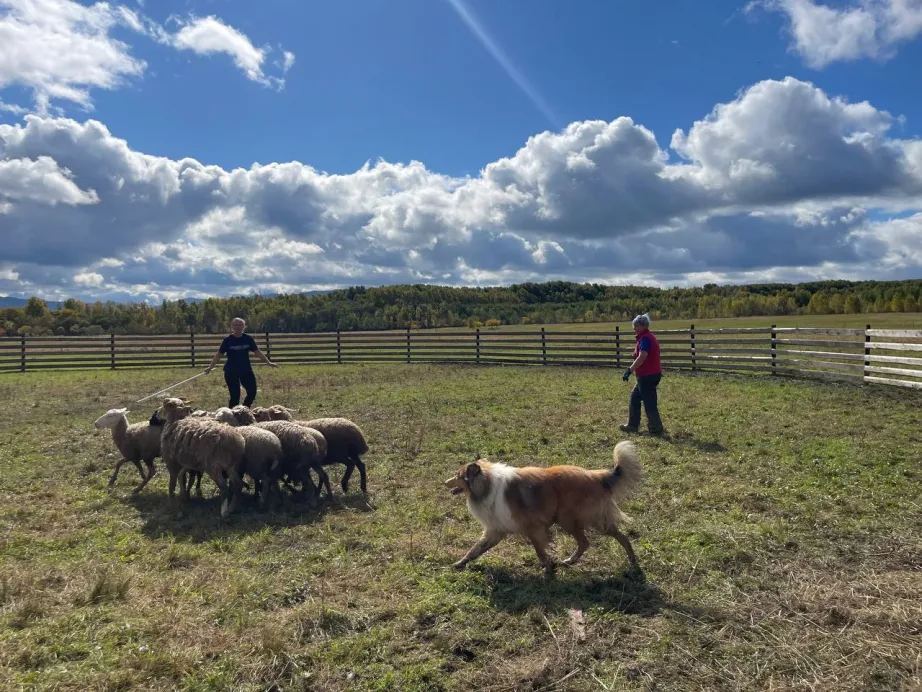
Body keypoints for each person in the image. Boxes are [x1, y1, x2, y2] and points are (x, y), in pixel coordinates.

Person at [204, 317, 278, 408]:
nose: (237, 327)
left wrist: (268, 362)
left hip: (246, 370)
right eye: (235, 325)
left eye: (239, 325)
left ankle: (243, 410)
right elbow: (218, 355)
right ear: (231, 326)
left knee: (252, 392)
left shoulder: (248, 339)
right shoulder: (227, 340)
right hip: (231, 371)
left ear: (243, 326)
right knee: (235, 396)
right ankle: (232, 415)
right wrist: (210, 367)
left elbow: (257, 352)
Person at [619, 313, 665, 436]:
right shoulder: (649, 336)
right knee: (635, 398)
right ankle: (632, 425)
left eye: (635, 326)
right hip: (649, 374)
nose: (634, 329)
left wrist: (630, 369)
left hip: (647, 376)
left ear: (641, 326)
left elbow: (642, 356)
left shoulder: (645, 339)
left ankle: (656, 430)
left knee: (650, 403)